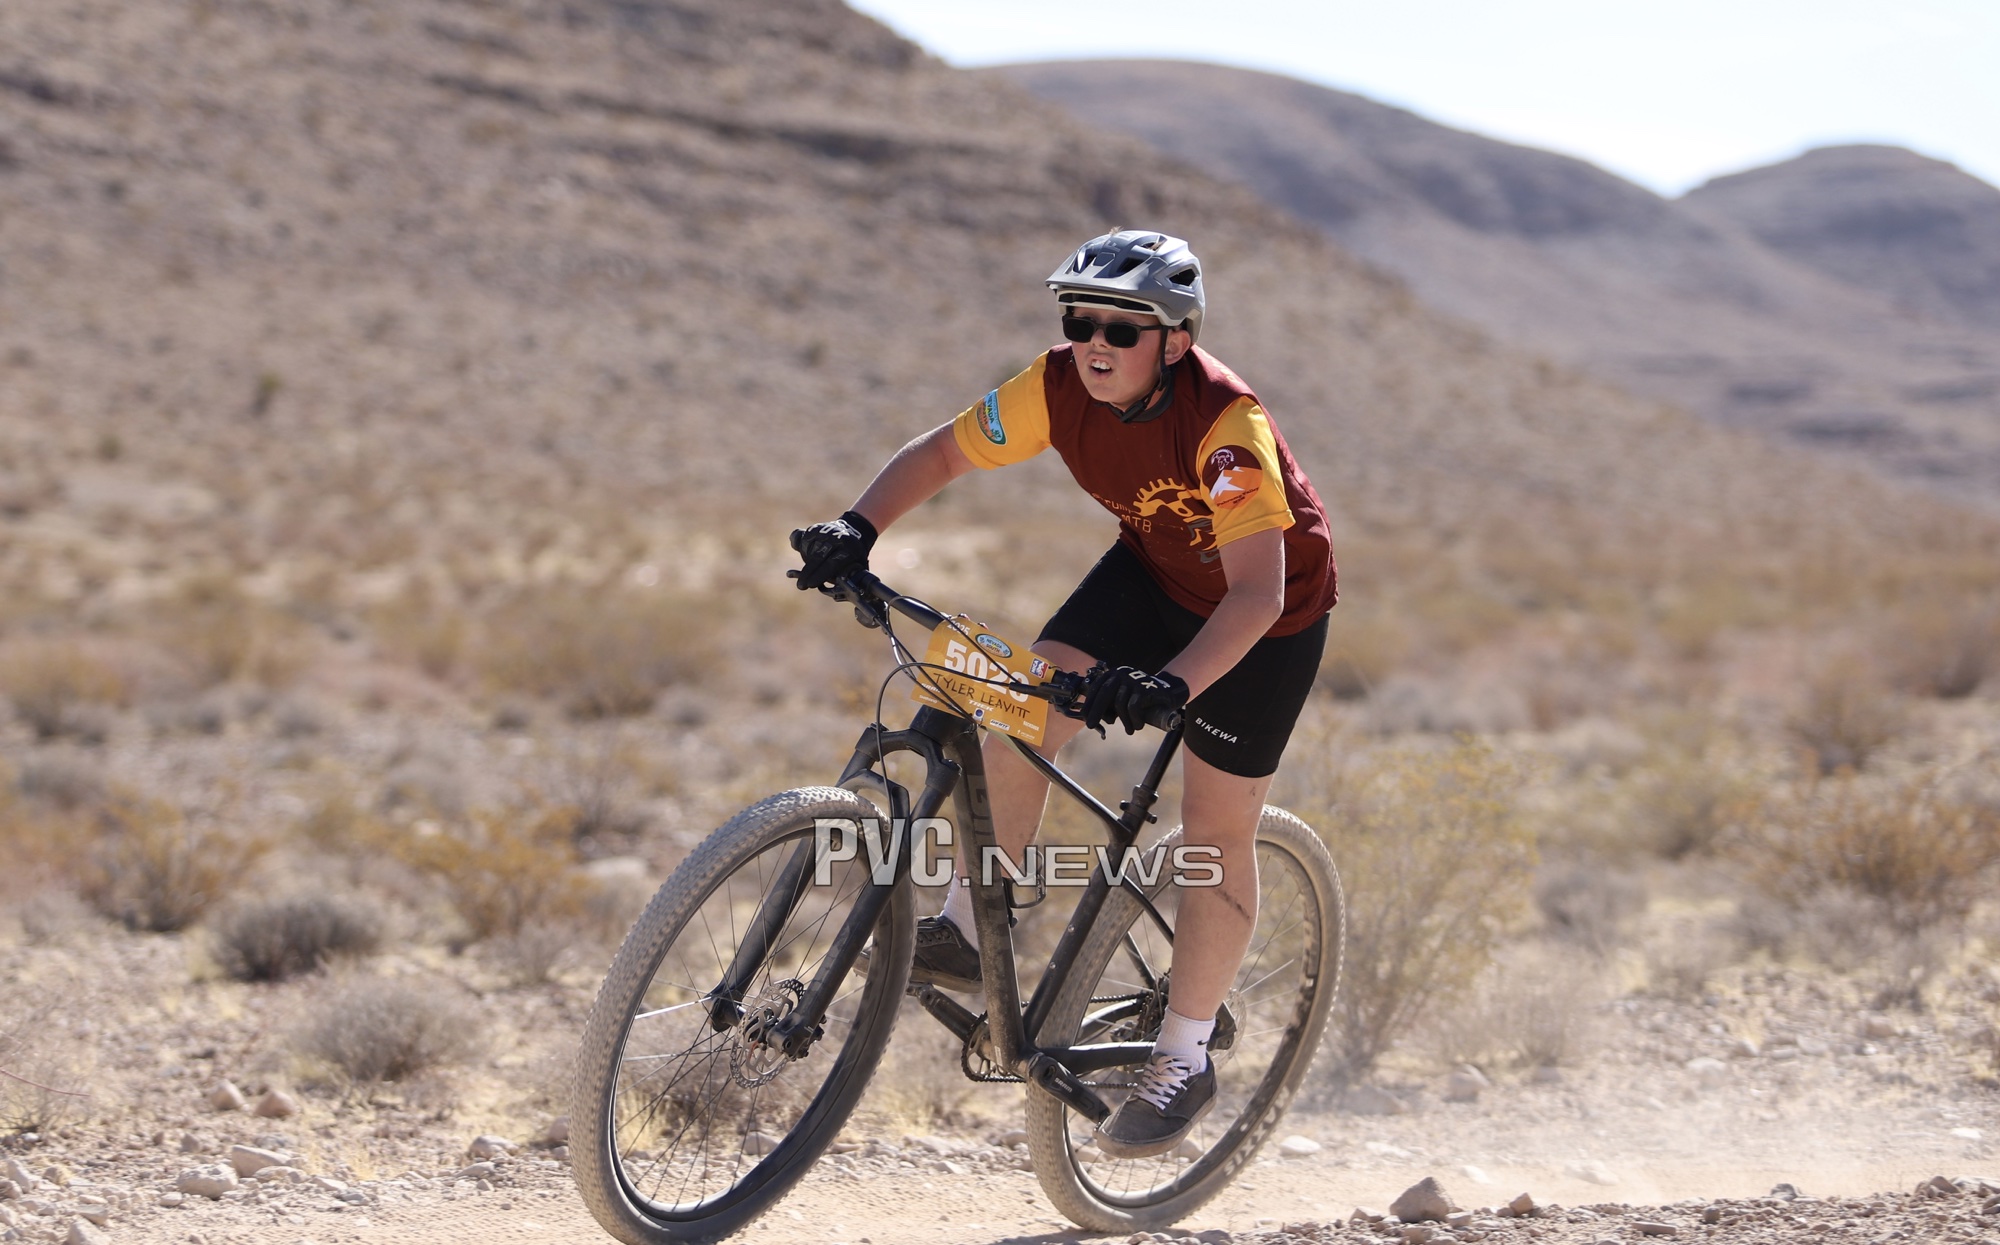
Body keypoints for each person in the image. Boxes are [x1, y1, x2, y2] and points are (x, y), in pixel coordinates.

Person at [790, 229, 1337, 1159]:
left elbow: (1257, 593)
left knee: (1214, 831)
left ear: (1175, 340)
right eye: (1079, 321)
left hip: (1265, 619)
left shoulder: (1225, 427)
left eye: (1120, 330)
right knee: (1021, 708)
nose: (1093, 344)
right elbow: (943, 454)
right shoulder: (1053, 387)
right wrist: (858, 525)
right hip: (1152, 575)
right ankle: (969, 926)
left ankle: (1183, 1053)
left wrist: (1171, 684)